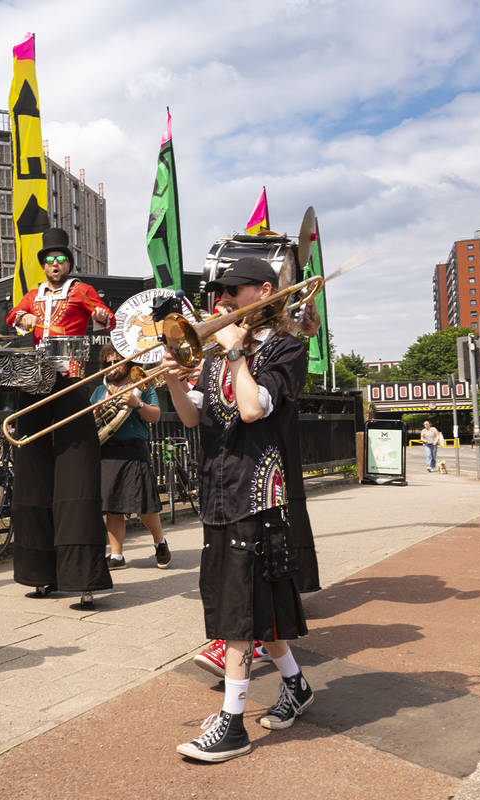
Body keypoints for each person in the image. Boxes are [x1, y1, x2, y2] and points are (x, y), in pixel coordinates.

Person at [162, 256, 314, 762]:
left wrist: (233, 356)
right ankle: (295, 686)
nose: (223, 300)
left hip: (257, 493)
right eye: (221, 292)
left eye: (235, 290)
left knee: (237, 614)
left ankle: (232, 723)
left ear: (264, 291)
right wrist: (171, 381)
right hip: (218, 490)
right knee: (254, 608)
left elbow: (252, 408)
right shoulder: (214, 353)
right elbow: (191, 417)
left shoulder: (287, 349)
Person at [5, 226, 115, 610]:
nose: (55, 265)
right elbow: (13, 316)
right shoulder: (34, 294)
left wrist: (101, 314)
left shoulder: (80, 290)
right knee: (32, 468)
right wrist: (23, 320)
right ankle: (39, 574)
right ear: (44, 265)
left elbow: (108, 318)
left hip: (69, 374)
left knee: (75, 469)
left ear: (69, 263)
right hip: (36, 375)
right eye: (49, 260)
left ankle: (82, 576)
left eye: (61, 260)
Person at [90, 343, 170, 570]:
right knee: (113, 507)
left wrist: (138, 403)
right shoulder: (99, 391)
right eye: (108, 364)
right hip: (107, 450)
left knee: (144, 505)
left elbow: (154, 416)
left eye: (117, 362)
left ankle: (159, 542)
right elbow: (90, 425)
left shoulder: (142, 384)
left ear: (128, 362)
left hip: (134, 450)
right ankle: (116, 555)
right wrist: (94, 413)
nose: (112, 367)